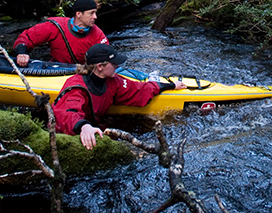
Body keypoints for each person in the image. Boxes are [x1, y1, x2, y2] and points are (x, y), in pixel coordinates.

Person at [52, 43, 187, 148]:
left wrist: (170, 86)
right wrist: (84, 127)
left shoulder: (113, 81)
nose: (117, 66)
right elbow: (67, 113)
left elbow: (139, 90)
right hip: (73, 134)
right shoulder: (76, 86)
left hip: (95, 126)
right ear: (100, 67)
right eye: (114, 63)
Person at [13, 0, 108, 67]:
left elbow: (107, 57)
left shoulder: (97, 34)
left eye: (95, 13)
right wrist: (22, 53)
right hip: (56, 70)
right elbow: (26, 38)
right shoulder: (55, 26)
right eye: (91, 13)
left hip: (82, 73)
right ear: (79, 14)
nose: (95, 17)